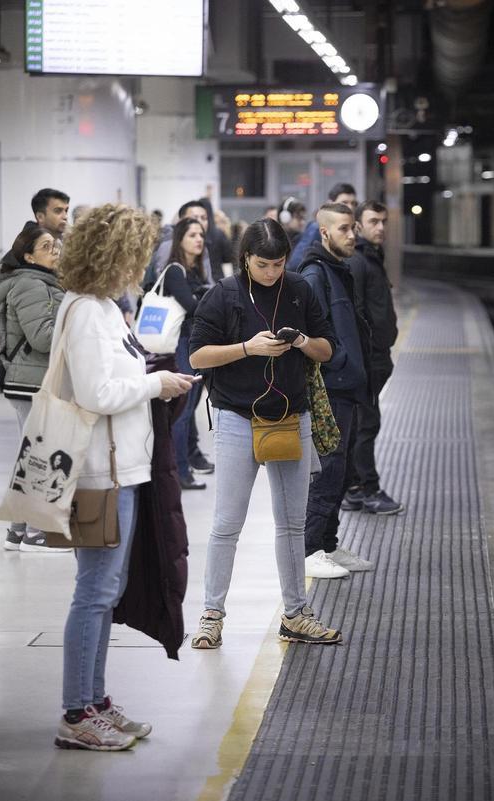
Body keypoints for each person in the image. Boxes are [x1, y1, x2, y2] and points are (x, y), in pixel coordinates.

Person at [50, 203, 194, 751]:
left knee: (106, 592)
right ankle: (75, 712)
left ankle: (96, 701)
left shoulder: (107, 307)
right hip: (97, 472)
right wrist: (155, 387)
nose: (141, 263)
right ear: (114, 254)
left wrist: (154, 375)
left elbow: (119, 374)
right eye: (136, 253)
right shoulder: (86, 311)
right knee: (94, 592)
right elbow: (96, 394)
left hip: (123, 467)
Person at [188, 218, 342, 648]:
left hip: (292, 415)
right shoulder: (223, 295)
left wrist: (300, 342)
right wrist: (246, 348)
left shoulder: (299, 289)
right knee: (226, 523)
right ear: (245, 259)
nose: (272, 272)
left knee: (292, 524)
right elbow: (197, 356)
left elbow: (327, 349)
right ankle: (211, 615)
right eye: (263, 264)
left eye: (278, 263)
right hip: (237, 417)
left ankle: (296, 613)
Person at [296, 203, 374, 578]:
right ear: (324, 232)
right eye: (344, 229)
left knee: (341, 470)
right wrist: (341, 363)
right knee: (327, 470)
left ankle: (328, 544)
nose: (352, 235)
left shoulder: (337, 270)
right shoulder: (315, 274)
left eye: (353, 228)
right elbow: (312, 334)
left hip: (348, 386)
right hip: (331, 388)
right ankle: (309, 550)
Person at [0, 224, 70, 552]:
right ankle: (36, 531)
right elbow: (42, 337)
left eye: (56, 246)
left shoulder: (44, 281)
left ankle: (16, 531)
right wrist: (75, 325)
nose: (56, 251)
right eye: (47, 246)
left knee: (31, 454)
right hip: (30, 381)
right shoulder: (31, 284)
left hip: (35, 380)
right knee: (39, 456)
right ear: (28, 255)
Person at [342, 200, 403, 515]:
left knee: (364, 424)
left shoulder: (370, 257)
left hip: (376, 357)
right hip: (368, 360)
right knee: (366, 425)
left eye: (383, 221)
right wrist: (366, 359)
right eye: (373, 221)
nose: (380, 227)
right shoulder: (359, 262)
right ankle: (365, 489)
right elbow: (358, 314)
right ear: (359, 226)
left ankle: (355, 488)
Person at [155, 216, 211, 490]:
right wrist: (206, 297)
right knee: (182, 412)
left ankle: (182, 469)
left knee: (186, 410)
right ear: (179, 240)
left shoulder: (193, 271)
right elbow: (193, 307)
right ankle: (179, 472)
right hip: (179, 344)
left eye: (200, 234)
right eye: (191, 235)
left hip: (190, 343)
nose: (198, 239)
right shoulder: (176, 271)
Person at [287, 182, 357, 271]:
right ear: (330, 203)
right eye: (344, 202)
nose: (350, 207)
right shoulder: (316, 228)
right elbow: (295, 263)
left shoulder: (353, 228)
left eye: (354, 203)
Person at [145, 201, 215, 288]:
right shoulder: (169, 244)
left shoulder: (201, 245)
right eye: (195, 217)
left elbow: (207, 279)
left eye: (204, 218)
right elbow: (161, 280)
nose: (199, 221)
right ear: (181, 220)